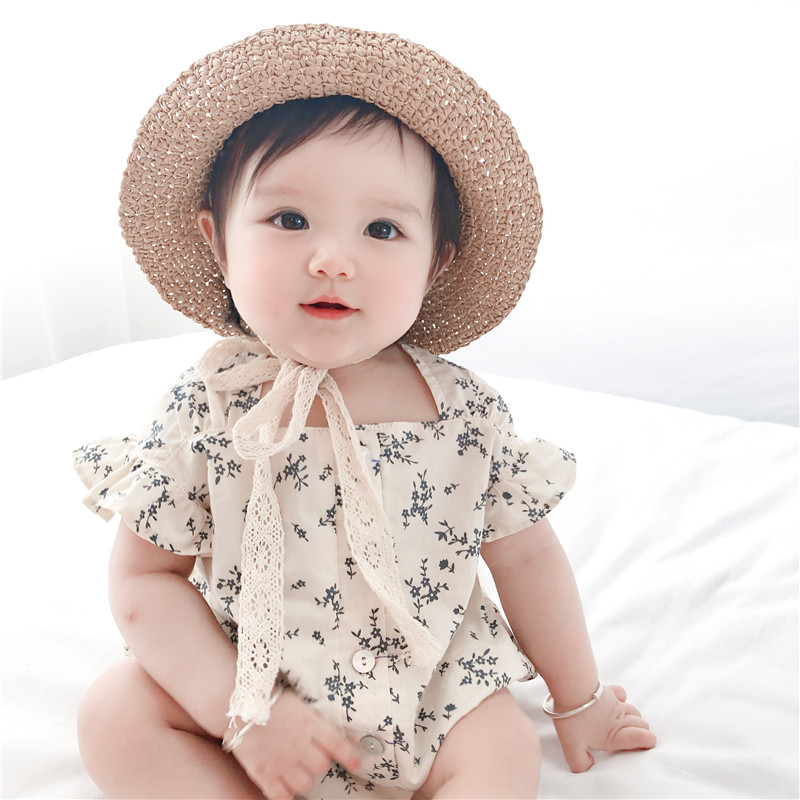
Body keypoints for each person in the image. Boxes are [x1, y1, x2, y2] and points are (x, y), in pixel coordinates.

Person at [74, 24, 655, 799]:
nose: (331, 260)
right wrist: (238, 713)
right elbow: (145, 581)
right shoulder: (208, 407)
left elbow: (527, 561)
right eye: (289, 219)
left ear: (434, 263)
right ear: (218, 242)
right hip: (252, 697)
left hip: (431, 701)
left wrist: (578, 701)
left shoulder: (463, 413)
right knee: (114, 713)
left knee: (503, 748)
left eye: (383, 229)